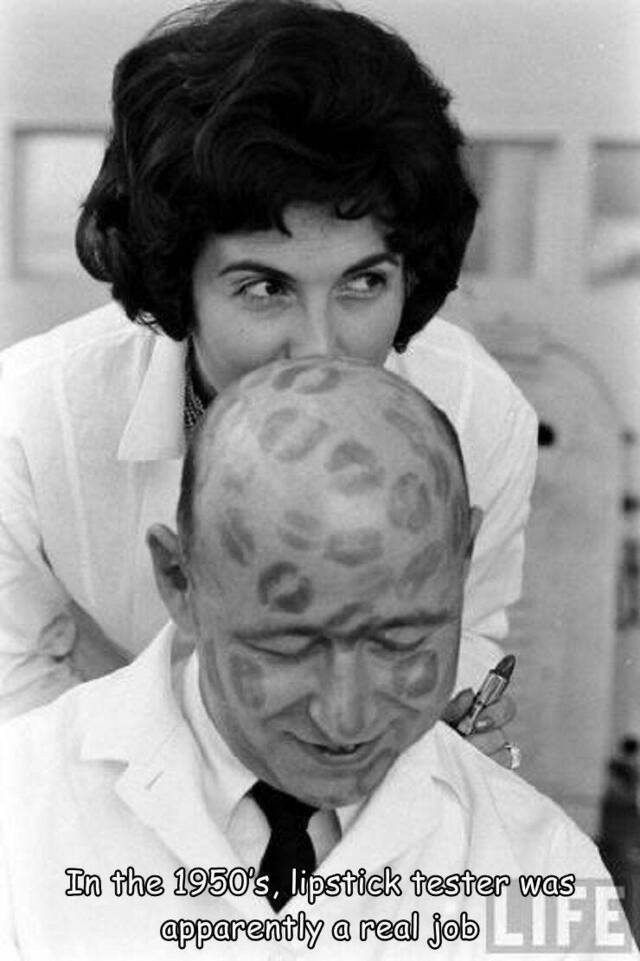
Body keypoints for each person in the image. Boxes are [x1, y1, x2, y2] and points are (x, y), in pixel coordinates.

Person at [0, 0, 537, 722]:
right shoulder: (29, 420)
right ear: (177, 285)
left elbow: (460, 661)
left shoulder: (480, 414)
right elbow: (16, 702)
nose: (319, 348)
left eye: (362, 283)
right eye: (265, 288)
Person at [0, 359, 631, 961]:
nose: (345, 719)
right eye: (289, 647)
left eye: (400, 640)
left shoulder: (544, 871)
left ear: (464, 562)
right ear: (179, 580)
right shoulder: (20, 816)